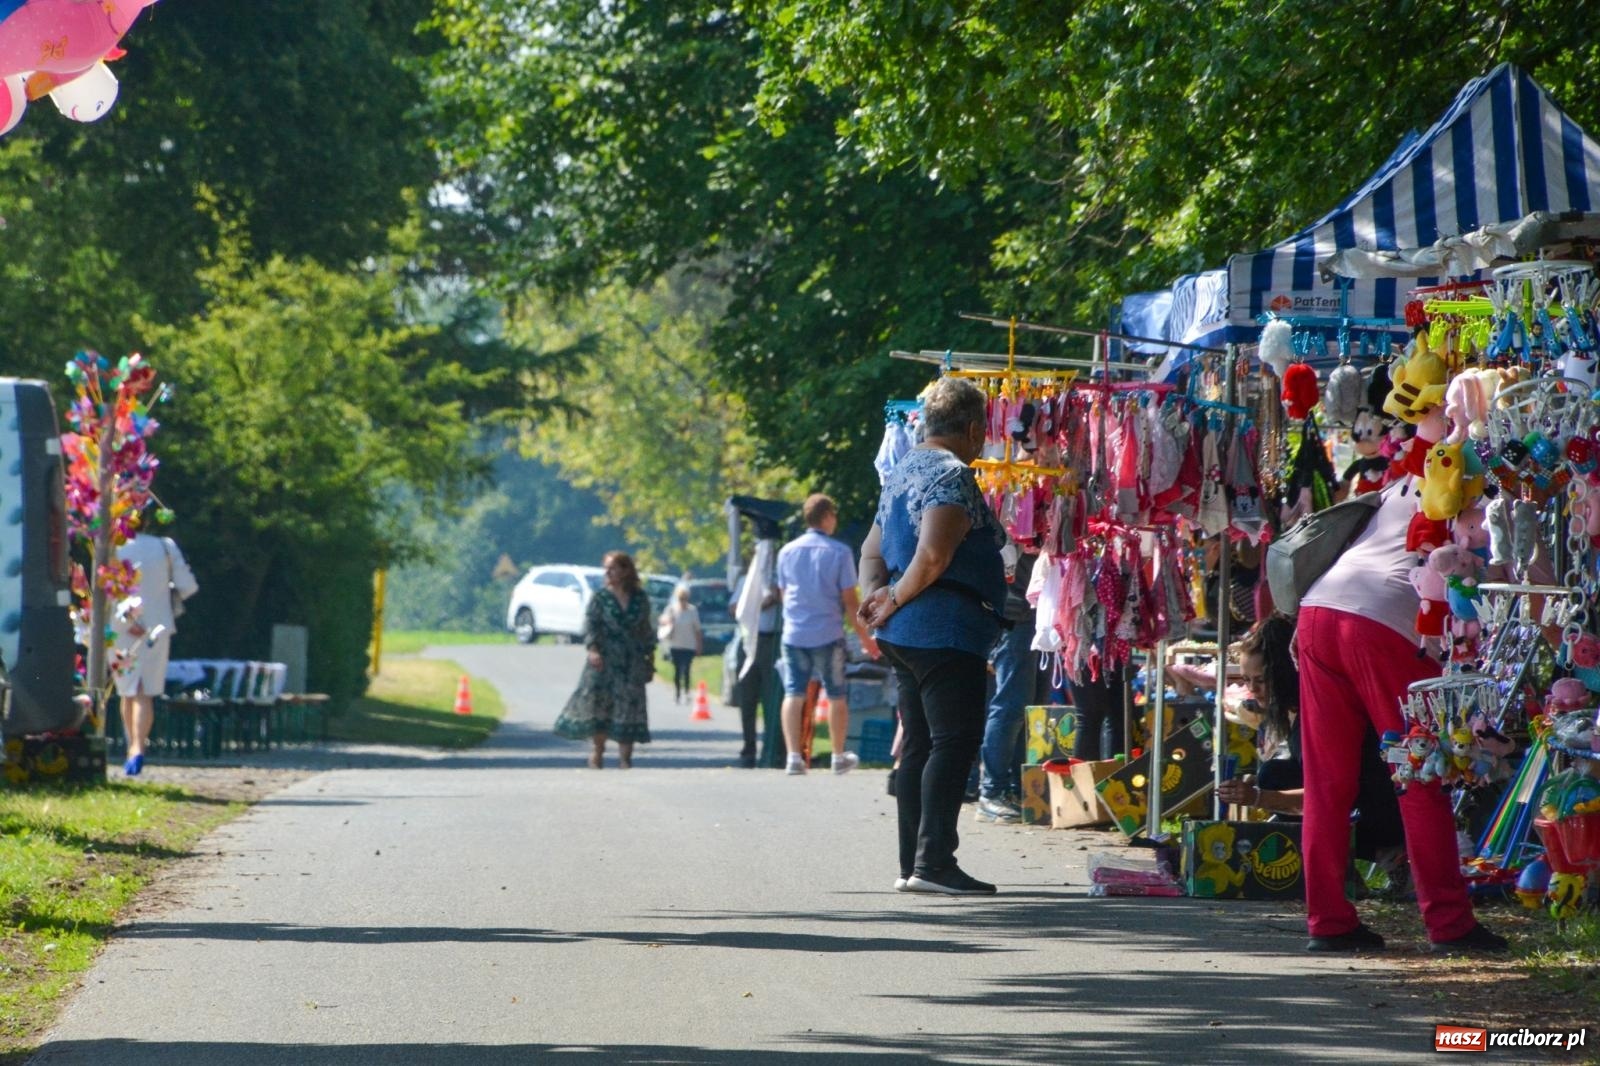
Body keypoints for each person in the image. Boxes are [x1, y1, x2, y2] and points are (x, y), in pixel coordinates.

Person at [1294, 478, 1505, 953]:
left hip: (1319, 610)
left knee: (1327, 782)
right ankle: (1449, 924)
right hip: (1384, 624)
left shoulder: (1405, 478)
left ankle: (1328, 922)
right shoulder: (1478, 485)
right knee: (1420, 772)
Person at [858, 376, 1007, 895]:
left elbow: (871, 551)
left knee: (920, 743)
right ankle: (934, 862)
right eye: (982, 431)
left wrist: (873, 600)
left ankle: (912, 864)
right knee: (954, 740)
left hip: (906, 633)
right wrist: (893, 600)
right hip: (942, 629)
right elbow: (934, 556)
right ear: (970, 429)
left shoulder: (901, 473)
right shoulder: (950, 474)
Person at [1216, 617, 1404, 872]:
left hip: (1384, 810)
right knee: (1273, 774)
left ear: (1282, 673)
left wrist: (1258, 797)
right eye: (1247, 680)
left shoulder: (1319, 713)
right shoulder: (1296, 711)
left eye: (1259, 680)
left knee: (1272, 779)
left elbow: (1326, 793)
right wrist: (1259, 791)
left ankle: (1387, 855)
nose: (1252, 689)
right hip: (1355, 803)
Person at [776, 493, 879, 775]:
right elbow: (849, 601)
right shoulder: (839, 552)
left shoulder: (786, 552)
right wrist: (865, 637)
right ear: (826, 517)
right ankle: (837, 756)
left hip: (794, 634)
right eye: (834, 515)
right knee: (836, 694)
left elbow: (785, 595)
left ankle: (793, 757)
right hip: (827, 633)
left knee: (793, 692)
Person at [554, 551, 656, 769]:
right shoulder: (600, 598)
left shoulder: (640, 598)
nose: (608, 572)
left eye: (613, 568)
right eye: (606, 568)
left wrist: (650, 656)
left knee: (629, 707)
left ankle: (625, 758)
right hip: (605, 659)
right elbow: (591, 626)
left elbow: (646, 629)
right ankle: (598, 751)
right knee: (601, 705)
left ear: (626, 570)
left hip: (631, 660)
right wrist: (593, 650)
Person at [111, 525, 199, 777]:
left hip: (119, 626)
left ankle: (132, 746)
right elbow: (188, 586)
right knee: (144, 689)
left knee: (127, 689)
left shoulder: (111, 544)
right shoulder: (165, 546)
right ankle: (137, 747)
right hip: (156, 625)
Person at [974, 541, 1049, 823]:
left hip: (1035, 611)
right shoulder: (1006, 504)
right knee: (1011, 705)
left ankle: (1017, 788)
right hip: (1015, 612)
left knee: (1030, 707)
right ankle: (992, 791)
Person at [732, 566, 780, 768]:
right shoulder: (747, 580)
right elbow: (734, 609)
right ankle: (748, 746)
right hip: (749, 639)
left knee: (772, 698)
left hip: (772, 640)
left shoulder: (780, 579)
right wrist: (761, 603)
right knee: (747, 698)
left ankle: (771, 748)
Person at [658, 585, 702, 704]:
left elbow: (697, 629)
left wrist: (699, 645)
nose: (683, 601)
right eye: (681, 598)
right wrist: (667, 621)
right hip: (675, 644)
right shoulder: (672, 609)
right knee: (677, 670)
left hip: (689, 645)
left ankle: (687, 691)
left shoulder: (692, 611)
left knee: (686, 669)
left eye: (685, 598)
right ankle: (677, 692)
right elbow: (662, 620)